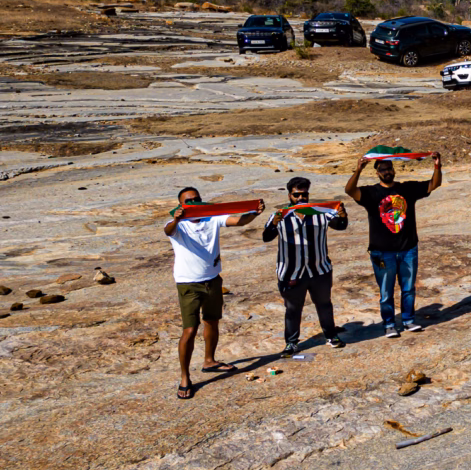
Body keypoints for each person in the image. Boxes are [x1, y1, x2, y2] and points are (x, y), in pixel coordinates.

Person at [164, 187, 264, 399]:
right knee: (189, 331)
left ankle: (209, 361)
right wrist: (176, 218)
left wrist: (254, 213)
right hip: (188, 284)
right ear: (181, 205)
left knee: (212, 321)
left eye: (196, 199)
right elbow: (168, 230)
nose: (193, 203)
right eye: (188, 201)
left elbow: (239, 221)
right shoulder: (177, 225)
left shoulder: (211, 218)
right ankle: (184, 377)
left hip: (213, 280)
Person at [345, 151, 441, 338]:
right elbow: (350, 191)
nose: (386, 172)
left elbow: (434, 184)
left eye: (389, 168)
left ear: (394, 169)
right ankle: (389, 324)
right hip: (382, 253)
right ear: (377, 173)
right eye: (382, 170)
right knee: (386, 292)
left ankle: (408, 320)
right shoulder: (371, 193)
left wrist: (437, 165)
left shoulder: (407, 189)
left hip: (408, 249)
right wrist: (357, 170)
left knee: (408, 288)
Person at [263, 177, 349, 356]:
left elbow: (341, 226)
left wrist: (343, 215)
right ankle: (291, 343)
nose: (301, 198)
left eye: (304, 194)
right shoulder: (280, 215)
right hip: (291, 272)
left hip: (319, 270)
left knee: (324, 304)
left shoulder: (321, 213)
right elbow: (266, 237)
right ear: (289, 195)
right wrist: (274, 223)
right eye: (297, 195)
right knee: (293, 309)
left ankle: (331, 336)